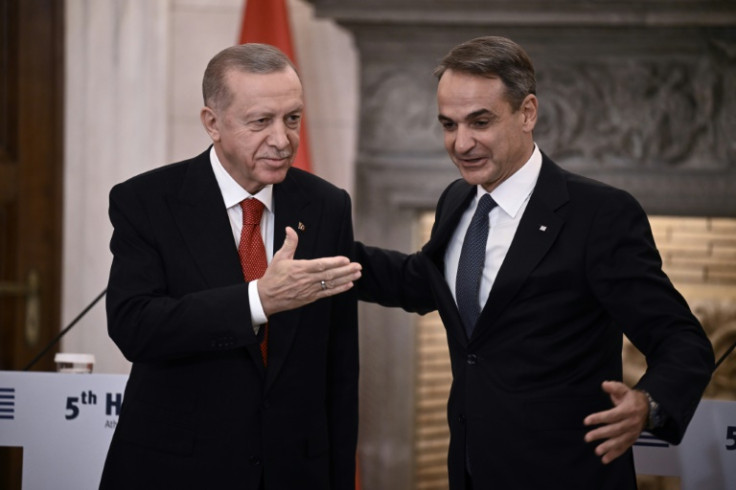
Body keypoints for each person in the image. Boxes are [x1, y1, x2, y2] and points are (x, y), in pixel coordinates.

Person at [355, 36, 714, 489]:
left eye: (479, 122)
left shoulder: (600, 214)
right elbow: (423, 282)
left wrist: (648, 404)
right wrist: (326, 257)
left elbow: (682, 339)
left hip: (568, 476)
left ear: (527, 112)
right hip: (471, 472)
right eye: (448, 124)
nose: (461, 143)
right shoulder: (456, 200)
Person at [100, 43, 362, 490]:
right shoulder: (146, 202)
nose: (282, 140)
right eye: (261, 121)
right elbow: (134, 326)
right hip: (178, 470)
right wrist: (256, 301)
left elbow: (339, 365)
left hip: (294, 472)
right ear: (212, 123)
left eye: (293, 118)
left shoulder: (326, 205)